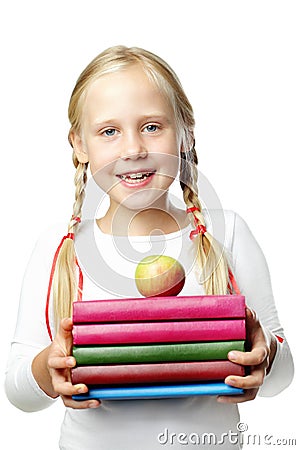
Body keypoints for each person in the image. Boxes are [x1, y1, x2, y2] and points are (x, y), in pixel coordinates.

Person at [5, 46, 294, 449]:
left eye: (152, 126)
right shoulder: (59, 246)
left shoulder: (226, 233)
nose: (133, 148)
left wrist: (265, 355)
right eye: (109, 131)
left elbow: (283, 377)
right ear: (80, 145)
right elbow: (17, 392)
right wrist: (46, 369)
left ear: (186, 133)